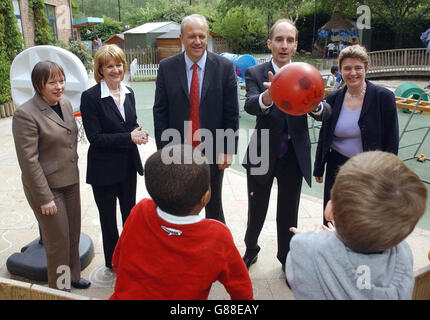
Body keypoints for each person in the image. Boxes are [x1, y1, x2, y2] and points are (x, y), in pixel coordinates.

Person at [241, 19, 331, 271]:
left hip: (293, 153)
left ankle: (286, 258)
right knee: (256, 207)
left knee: (288, 211)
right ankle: (251, 249)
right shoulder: (256, 73)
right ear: (270, 43)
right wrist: (269, 95)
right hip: (263, 152)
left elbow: (326, 111)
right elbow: (249, 105)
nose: (284, 45)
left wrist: (315, 105)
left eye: (289, 40)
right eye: (279, 39)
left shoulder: (307, 73)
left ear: (295, 45)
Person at [110, 144, 253, 300]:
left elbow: (117, 261)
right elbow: (242, 290)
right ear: (205, 198)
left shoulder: (141, 210)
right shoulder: (217, 236)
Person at [286, 150, 427, 299]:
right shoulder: (403, 255)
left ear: (331, 210)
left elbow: (295, 276)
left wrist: (311, 239)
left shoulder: (304, 249)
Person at [153, 14, 239, 224]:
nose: (198, 41)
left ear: (207, 36)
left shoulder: (224, 68)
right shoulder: (167, 68)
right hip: (177, 152)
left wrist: (227, 150)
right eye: (192, 36)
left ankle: (216, 251)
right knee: (178, 206)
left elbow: (231, 112)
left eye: (202, 36)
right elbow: (160, 112)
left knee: (213, 205)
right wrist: (165, 150)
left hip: (212, 151)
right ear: (181, 38)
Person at [12, 60, 90, 290]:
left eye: (62, 80)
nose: (59, 86)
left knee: (73, 233)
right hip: (47, 187)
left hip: (70, 181)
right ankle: (61, 289)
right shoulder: (25, 114)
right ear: (39, 85)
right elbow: (28, 161)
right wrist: (43, 197)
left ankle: (73, 276)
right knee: (58, 240)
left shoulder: (65, 104)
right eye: (52, 82)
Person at [80, 44, 148, 269]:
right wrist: (129, 137)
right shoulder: (90, 97)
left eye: (118, 64)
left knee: (130, 217)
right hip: (104, 171)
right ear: (100, 69)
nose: (115, 70)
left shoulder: (129, 93)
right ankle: (113, 261)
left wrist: (139, 132)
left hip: (128, 167)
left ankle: (130, 257)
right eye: (109, 66)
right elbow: (95, 138)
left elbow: (129, 125)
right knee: (108, 221)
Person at [314, 44, 399, 225]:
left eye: (358, 68)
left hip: (368, 168)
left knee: (363, 220)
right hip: (337, 167)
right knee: (333, 217)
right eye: (347, 68)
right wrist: (319, 166)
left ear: (367, 69)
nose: (353, 73)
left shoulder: (383, 98)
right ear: (340, 71)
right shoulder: (333, 98)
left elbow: (391, 140)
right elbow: (325, 134)